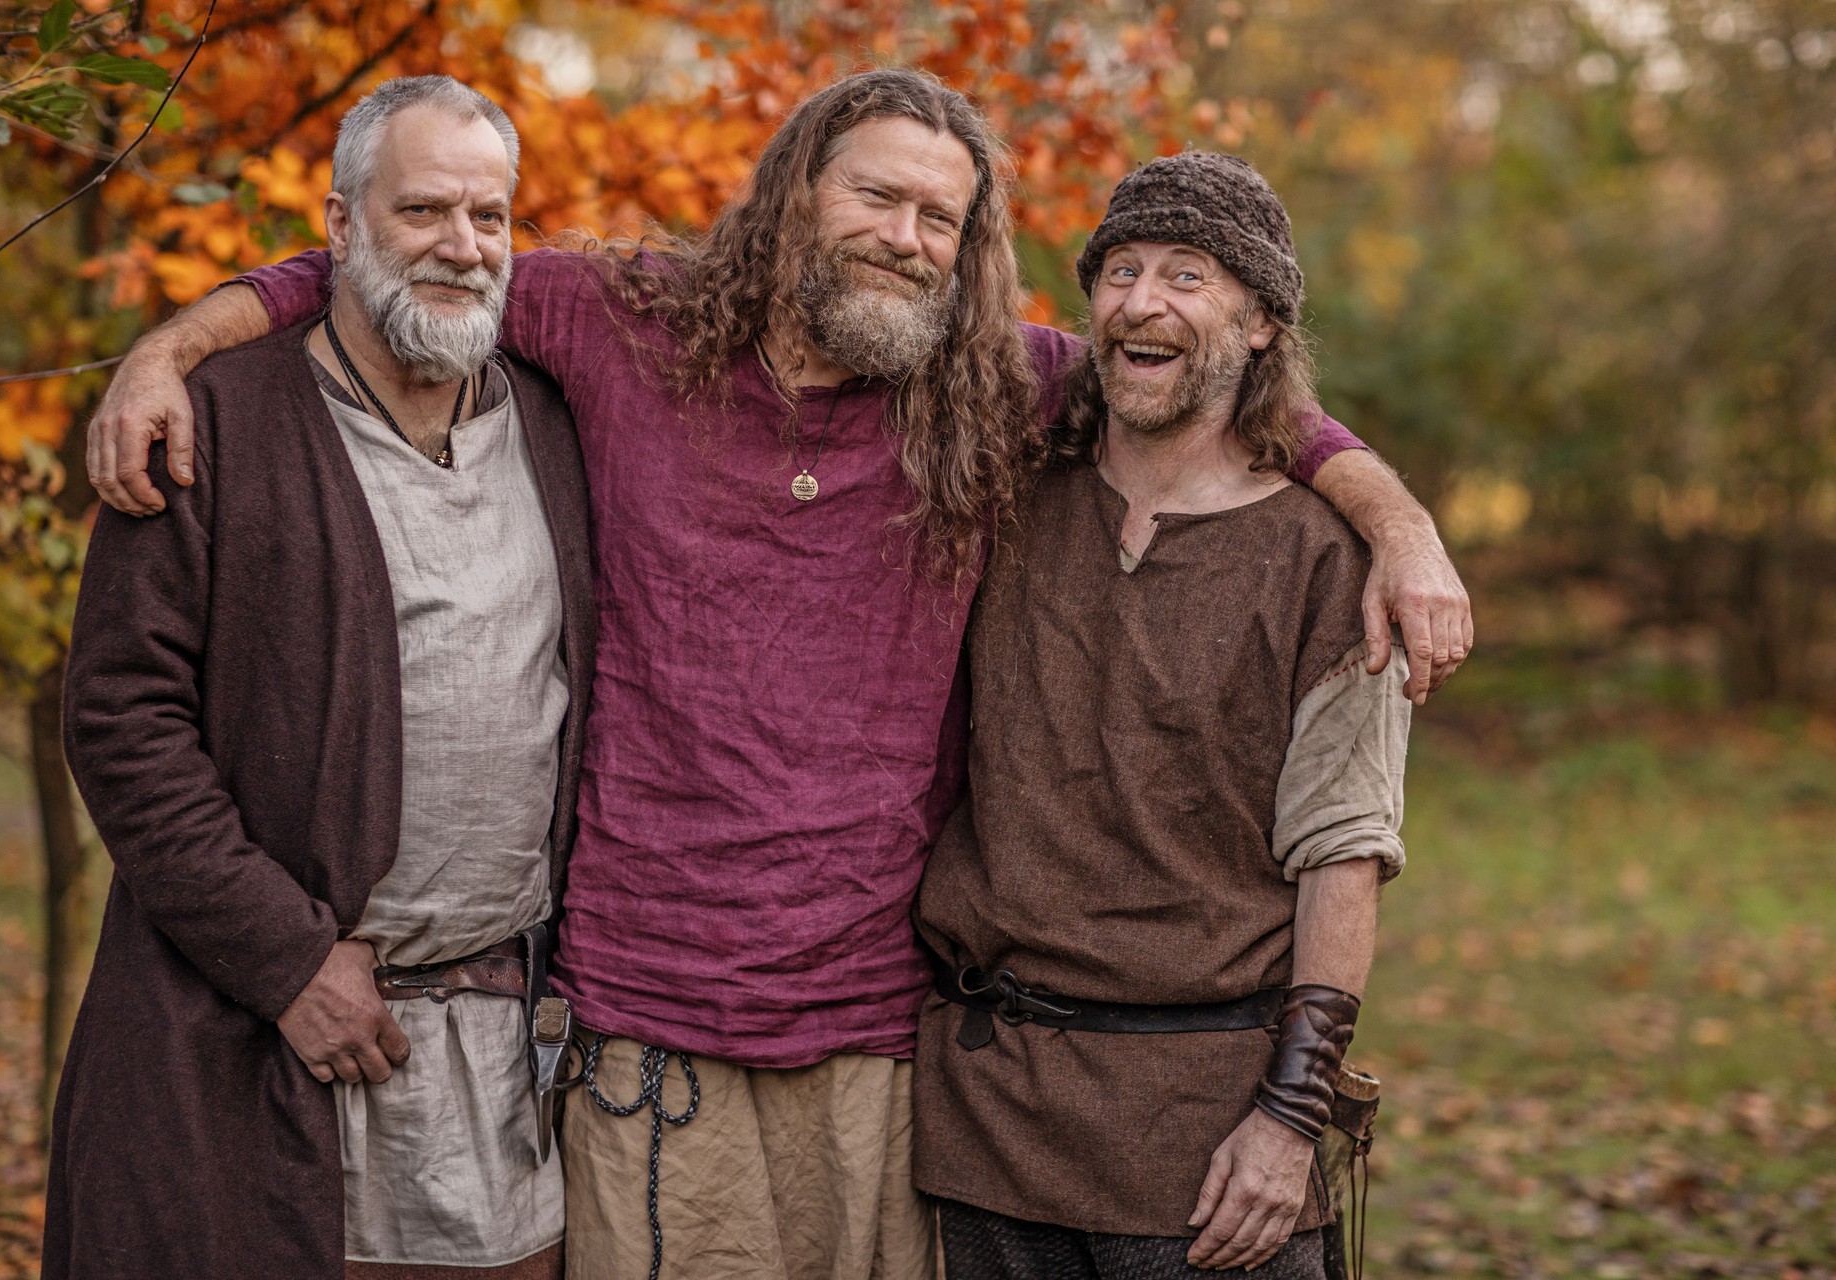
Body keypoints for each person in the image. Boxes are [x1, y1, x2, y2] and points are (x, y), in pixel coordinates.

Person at [81, 70, 1464, 1280]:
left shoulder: (990, 383)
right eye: (880, 197)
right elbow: (416, 265)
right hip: (645, 1035)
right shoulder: (629, 323)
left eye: (944, 219)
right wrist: (175, 346)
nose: (909, 240)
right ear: (797, 189)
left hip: (882, 1045)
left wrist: (1397, 527)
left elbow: (1221, 375)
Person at [47, 77, 594, 1280]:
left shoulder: (557, 425)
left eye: (491, 217)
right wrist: (285, 957)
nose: (463, 246)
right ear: (340, 227)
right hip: (259, 1039)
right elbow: (121, 717)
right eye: (424, 211)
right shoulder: (215, 422)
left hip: (503, 1052)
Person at [913, 151, 1409, 1280]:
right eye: (1121, 270)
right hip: (986, 1120)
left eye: (1189, 276)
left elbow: (1343, 853)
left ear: (1262, 325)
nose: (1142, 301)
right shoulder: (1006, 499)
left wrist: (1291, 1115)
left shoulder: (1329, 562)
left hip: (1209, 1141)